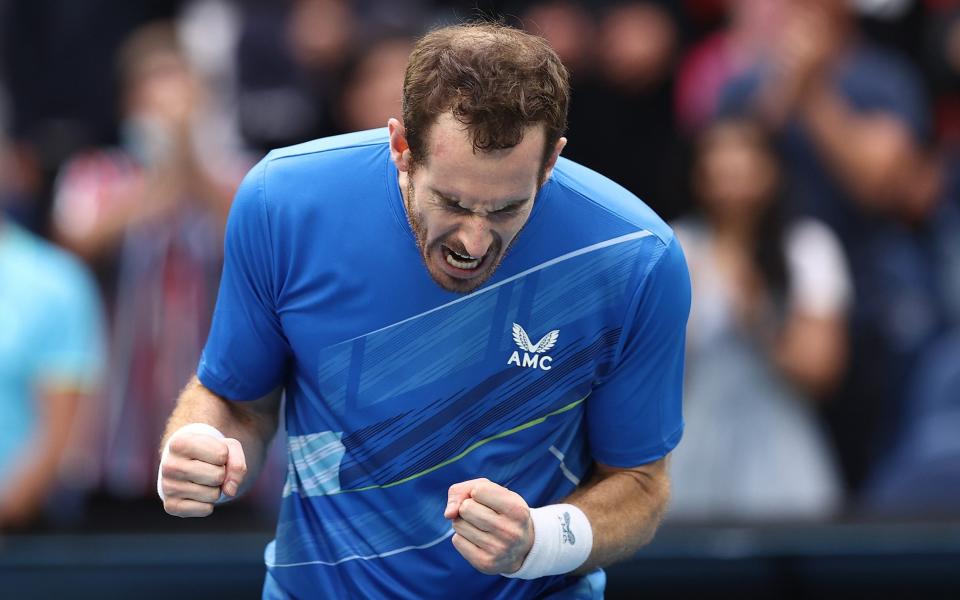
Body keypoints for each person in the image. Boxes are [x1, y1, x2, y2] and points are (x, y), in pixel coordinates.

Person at [157, 22, 690, 598]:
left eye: (509, 207)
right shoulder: (282, 202)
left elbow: (639, 485)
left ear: (551, 162)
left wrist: (540, 540)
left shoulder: (634, 258)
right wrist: (198, 445)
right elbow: (237, 402)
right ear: (401, 148)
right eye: (452, 202)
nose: (475, 241)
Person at [668, 119, 847, 521]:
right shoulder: (678, 244)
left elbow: (820, 370)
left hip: (781, 443)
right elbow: (651, 375)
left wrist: (756, 313)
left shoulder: (806, 247)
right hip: (693, 442)